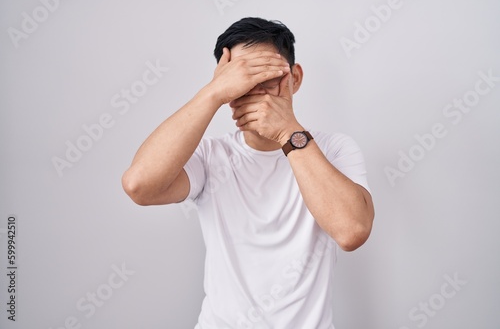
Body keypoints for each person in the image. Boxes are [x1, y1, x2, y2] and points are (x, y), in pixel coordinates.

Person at [122, 17, 374, 329]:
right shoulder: (211, 156)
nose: (253, 91)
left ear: (294, 77)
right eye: (240, 80)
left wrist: (287, 132)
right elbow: (139, 185)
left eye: (266, 77)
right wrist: (212, 94)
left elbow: (351, 232)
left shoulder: (334, 149)